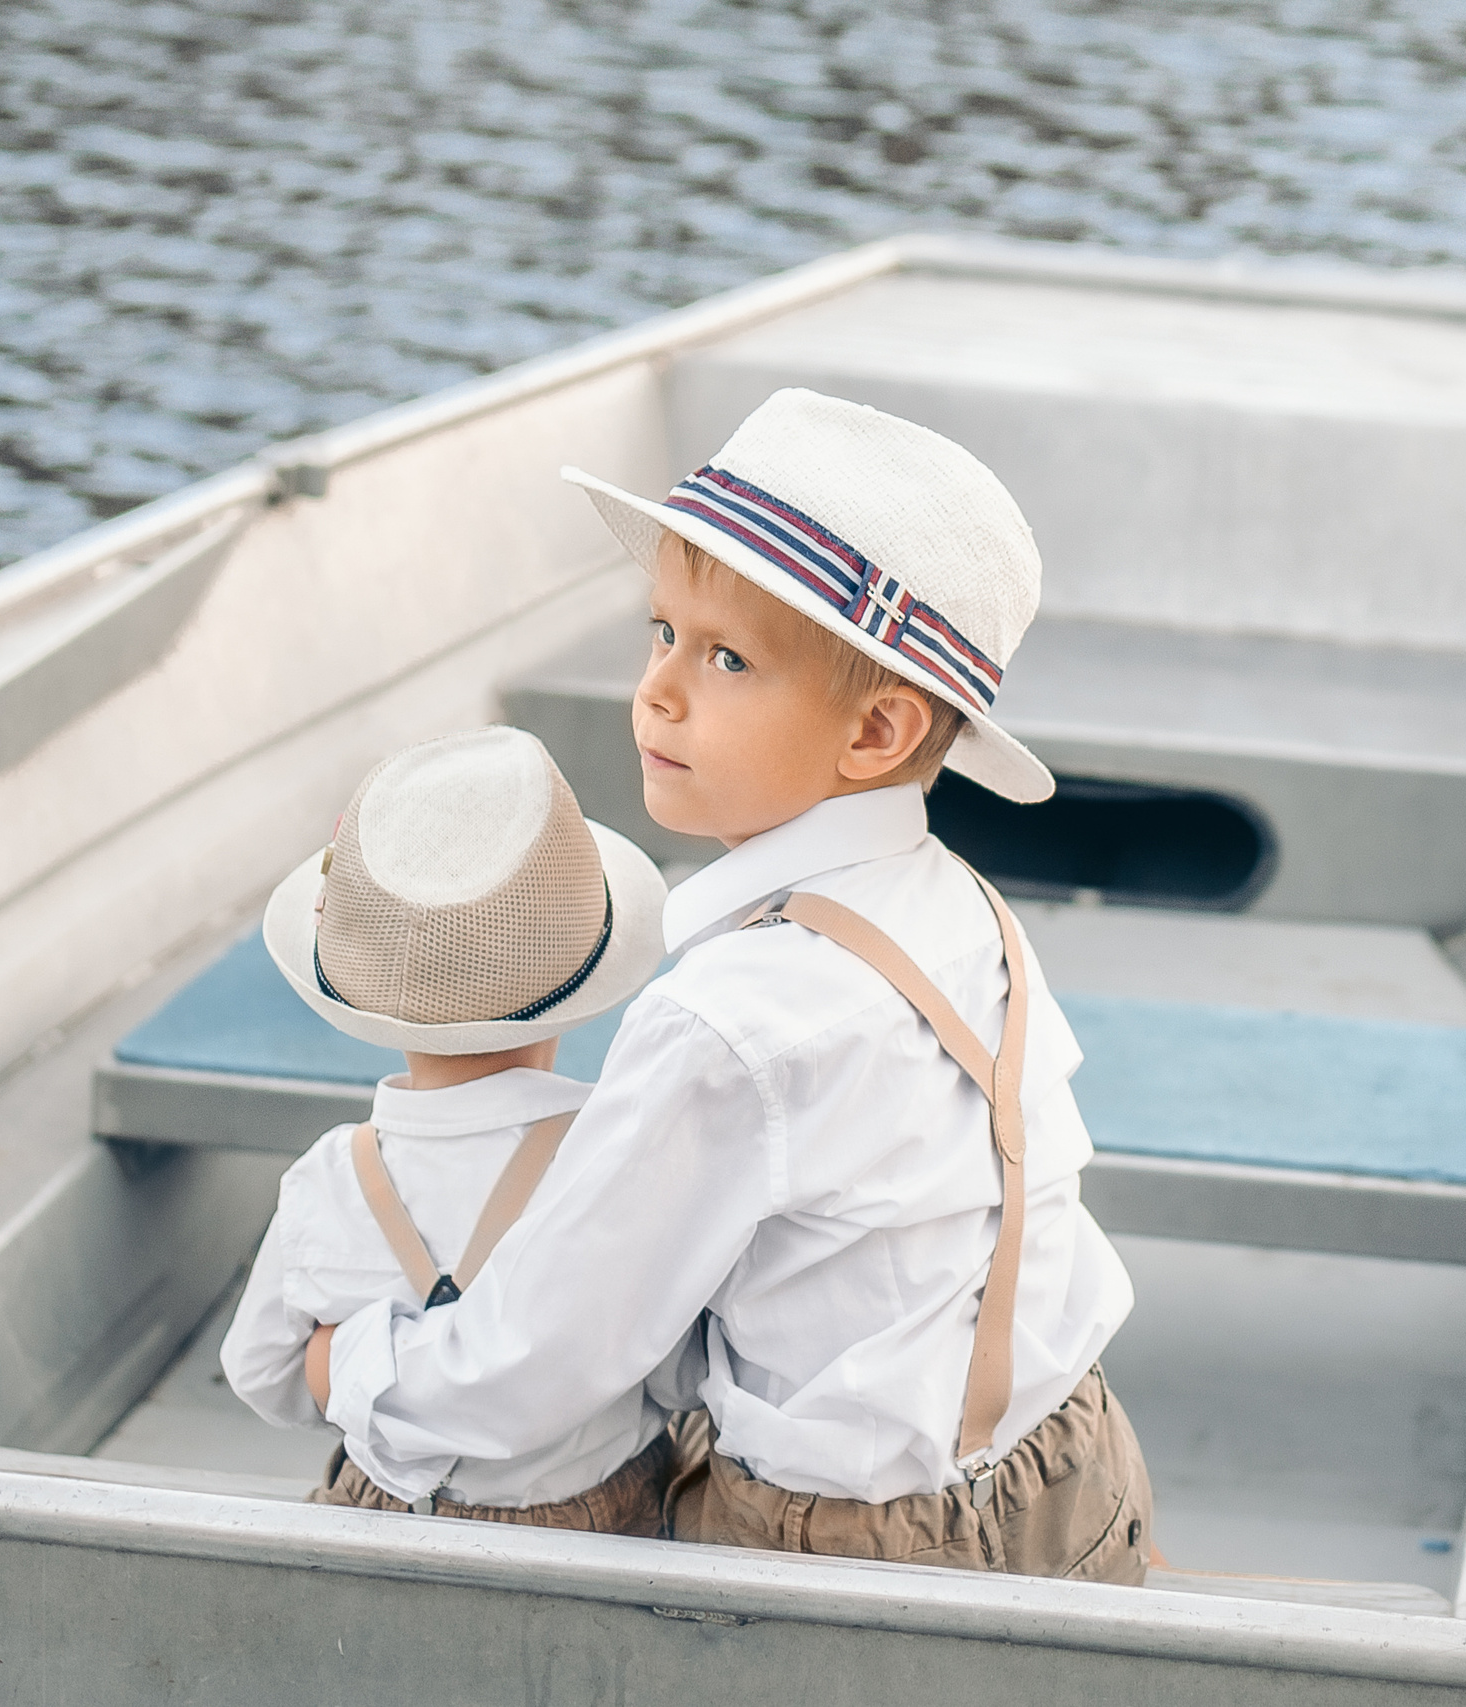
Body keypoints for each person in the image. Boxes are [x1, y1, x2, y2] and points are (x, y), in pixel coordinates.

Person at [310, 387, 1153, 1579]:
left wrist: (342, 1358)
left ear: (873, 736)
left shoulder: (728, 1019)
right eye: (661, 632)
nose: (658, 689)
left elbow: (531, 1374)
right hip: (1069, 1455)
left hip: (860, 1540)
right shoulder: (960, 904)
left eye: (725, 657)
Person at [219, 724, 680, 1533]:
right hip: (604, 1522)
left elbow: (259, 1369)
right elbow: (673, 1369)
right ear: (578, 984)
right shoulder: (616, 1152)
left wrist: (350, 1356)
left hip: (385, 1512)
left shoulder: (329, 1175)